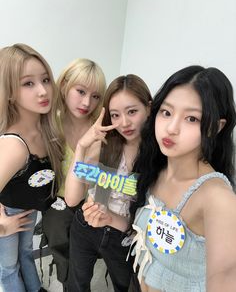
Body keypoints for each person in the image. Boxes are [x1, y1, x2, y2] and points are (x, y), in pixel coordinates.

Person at [128, 65, 236, 292]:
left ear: (216, 127)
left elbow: (225, 279)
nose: (171, 128)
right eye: (166, 112)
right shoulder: (156, 170)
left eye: (192, 119)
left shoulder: (218, 198)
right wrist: (109, 218)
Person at [65, 74, 152, 292]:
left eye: (132, 111)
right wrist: (82, 147)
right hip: (86, 226)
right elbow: (72, 198)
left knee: (125, 286)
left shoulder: (158, 156)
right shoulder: (104, 145)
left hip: (124, 236)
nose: (124, 123)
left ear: (149, 108)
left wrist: (111, 219)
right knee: (76, 284)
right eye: (115, 115)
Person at [0, 43, 63, 292]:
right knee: (7, 269)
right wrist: (2, 224)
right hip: (10, 213)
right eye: (28, 83)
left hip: (28, 208)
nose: (43, 91)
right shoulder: (14, 146)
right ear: (10, 92)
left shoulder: (46, 130)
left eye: (45, 79)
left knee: (25, 255)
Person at [41, 58, 106, 291]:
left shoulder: (99, 130)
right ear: (65, 85)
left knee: (82, 228)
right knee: (58, 225)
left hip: (86, 197)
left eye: (96, 96)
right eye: (81, 91)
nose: (87, 102)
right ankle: (68, 279)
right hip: (54, 199)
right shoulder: (49, 122)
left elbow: (84, 187)